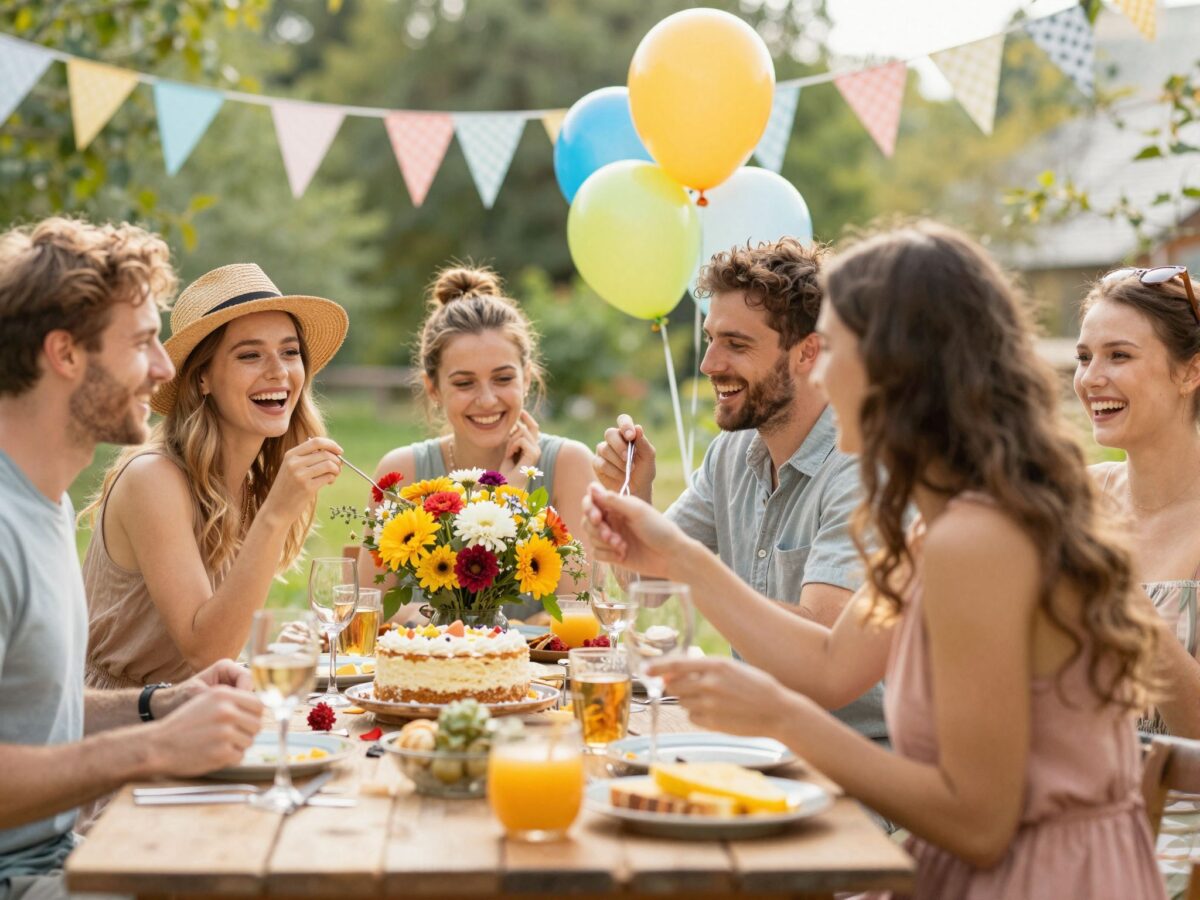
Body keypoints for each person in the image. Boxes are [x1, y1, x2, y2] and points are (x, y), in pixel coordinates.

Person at [583, 222, 1166, 898]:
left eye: (832, 348)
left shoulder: (974, 541)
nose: (820, 370)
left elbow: (978, 824)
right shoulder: (941, 526)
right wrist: (677, 553)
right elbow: (832, 667)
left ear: (897, 366)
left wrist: (777, 715)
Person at [0, 218, 263, 898]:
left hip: (64, 853)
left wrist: (161, 706)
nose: (165, 369)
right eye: (144, 342)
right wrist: (150, 750)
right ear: (65, 354)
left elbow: (35, 715)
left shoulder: (45, 502)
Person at [592, 238, 885, 743]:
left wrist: (691, 567)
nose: (709, 364)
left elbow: (824, 645)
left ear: (807, 353)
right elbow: (645, 581)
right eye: (710, 339)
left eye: (737, 344)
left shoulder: (860, 468)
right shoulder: (731, 454)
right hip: (756, 740)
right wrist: (635, 499)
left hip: (857, 759)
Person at [81, 263, 349, 689]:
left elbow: (217, 648)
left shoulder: (245, 482)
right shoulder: (153, 478)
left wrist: (273, 645)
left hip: (194, 711)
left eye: (290, 351)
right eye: (249, 354)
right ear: (202, 377)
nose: (278, 371)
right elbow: (206, 651)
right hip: (118, 722)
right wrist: (276, 514)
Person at [364, 264, 593, 620]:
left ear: (527, 378)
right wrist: (505, 492)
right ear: (434, 389)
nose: (487, 400)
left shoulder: (569, 465)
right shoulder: (401, 471)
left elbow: (575, 613)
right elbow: (369, 608)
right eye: (464, 383)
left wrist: (516, 489)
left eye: (503, 378)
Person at [1075, 264, 1200, 897]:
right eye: (1085, 356)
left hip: (1182, 832)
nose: (1091, 378)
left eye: (1119, 355)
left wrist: (1121, 597)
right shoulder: (1078, 498)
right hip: (1070, 811)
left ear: (1190, 371)